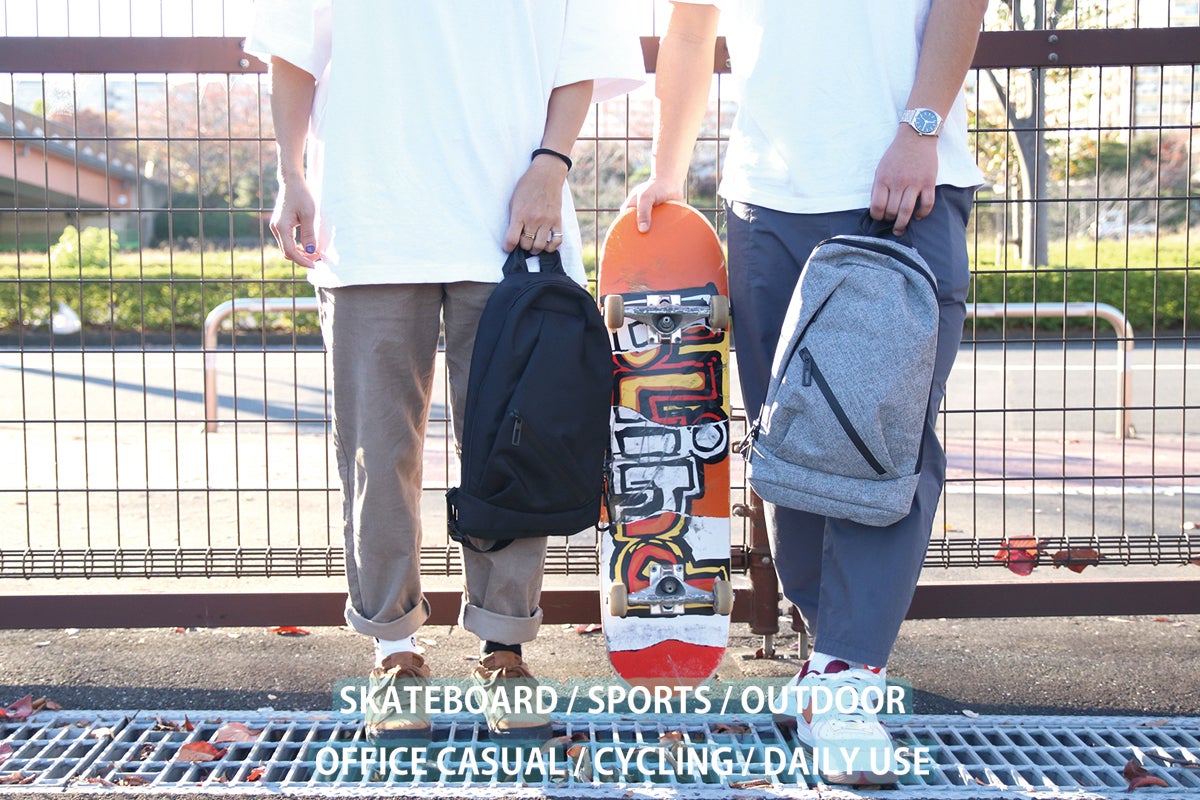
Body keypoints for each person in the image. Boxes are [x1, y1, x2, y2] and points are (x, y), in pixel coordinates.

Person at [244, 1, 643, 743]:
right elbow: (292, 49)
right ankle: (393, 652)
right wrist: (290, 174)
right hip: (370, 222)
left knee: (513, 454)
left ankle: (505, 649)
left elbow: (581, 52)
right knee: (377, 455)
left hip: (511, 225)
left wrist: (551, 166)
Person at [626, 0, 988, 785]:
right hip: (768, 199)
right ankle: (831, 664)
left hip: (902, 180)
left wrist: (920, 129)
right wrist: (667, 169)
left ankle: (847, 680)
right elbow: (690, 27)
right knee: (789, 446)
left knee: (883, 444)